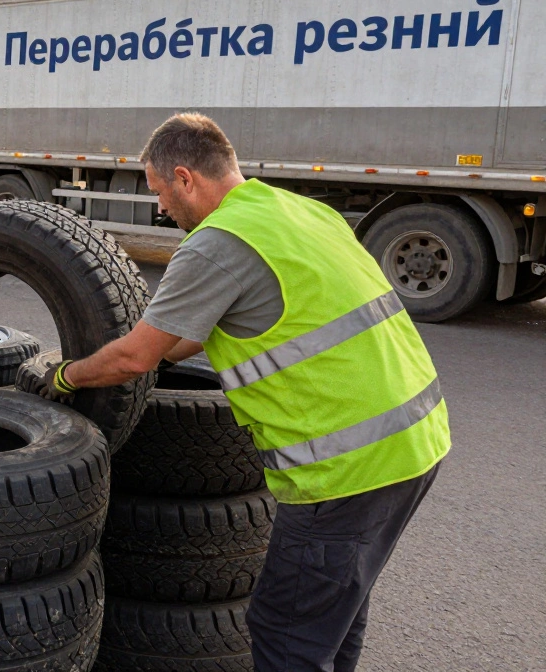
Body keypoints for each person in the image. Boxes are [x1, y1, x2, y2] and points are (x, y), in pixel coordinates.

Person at [38, 113, 450, 671]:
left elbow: (135, 357)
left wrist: (64, 376)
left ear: (185, 177)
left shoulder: (215, 245)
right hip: (414, 440)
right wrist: (152, 350)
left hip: (348, 467)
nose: (160, 207)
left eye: (159, 191)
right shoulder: (298, 211)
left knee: (285, 635)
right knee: (334, 616)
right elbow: (182, 340)